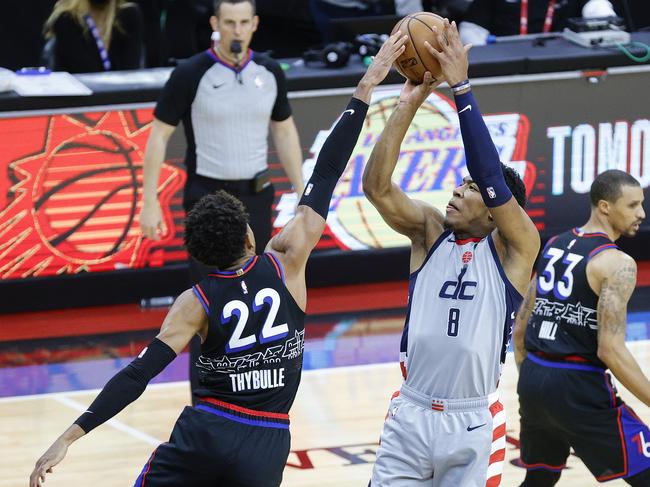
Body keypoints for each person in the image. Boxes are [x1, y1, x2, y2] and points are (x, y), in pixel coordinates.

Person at [29, 32, 409, 487]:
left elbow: (138, 375)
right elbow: (326, 171)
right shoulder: (287, 261)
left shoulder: (195, 301)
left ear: (203, 254)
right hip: (269, 441)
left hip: (208, 433)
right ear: (250, 235)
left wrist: (69, 437)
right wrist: (368, 82)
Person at [363, 19, 540, 486]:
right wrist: (407, 102)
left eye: (471, 188)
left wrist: (461, 87)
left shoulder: (515, 251)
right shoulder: (429, 232)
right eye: (459, 184)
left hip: (472, 422)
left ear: (499, 210)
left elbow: (490, 174)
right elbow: (376, 188)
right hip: (411, 412)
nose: (458, 192)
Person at [139, 0, 305, 403]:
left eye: (243, 22)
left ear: (255, 25)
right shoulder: (191, 72)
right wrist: (149, 201)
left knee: (262, 292)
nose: (236, 30)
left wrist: (303, 194)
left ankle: (257, 388)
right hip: (207, 201)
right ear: (215, 24)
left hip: (257, 197)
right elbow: (159, 135)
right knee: (207, 303)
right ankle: (206, 399)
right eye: (228, 22)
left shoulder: (270, 72)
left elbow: (283, 132)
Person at [513, 169, 650, 486]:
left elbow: (520, 329)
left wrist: (535, 381)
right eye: (632, 205)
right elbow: (610, 350)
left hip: (534, 378)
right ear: (605, 206)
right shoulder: (618, 264)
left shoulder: (555, 244)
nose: (641, 213)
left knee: (539, 480)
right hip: (579, 387)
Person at [43, 0, 143, 73]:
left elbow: (130, 72)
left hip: (121, 98)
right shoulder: (67, 18)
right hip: (81, 99)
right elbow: (85, 71)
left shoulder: (130, 16)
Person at [459, 0, 616, 46]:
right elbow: (471, 29)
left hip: (561, 64)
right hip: (507, 67)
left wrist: (608, 20)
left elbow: (596, 7)